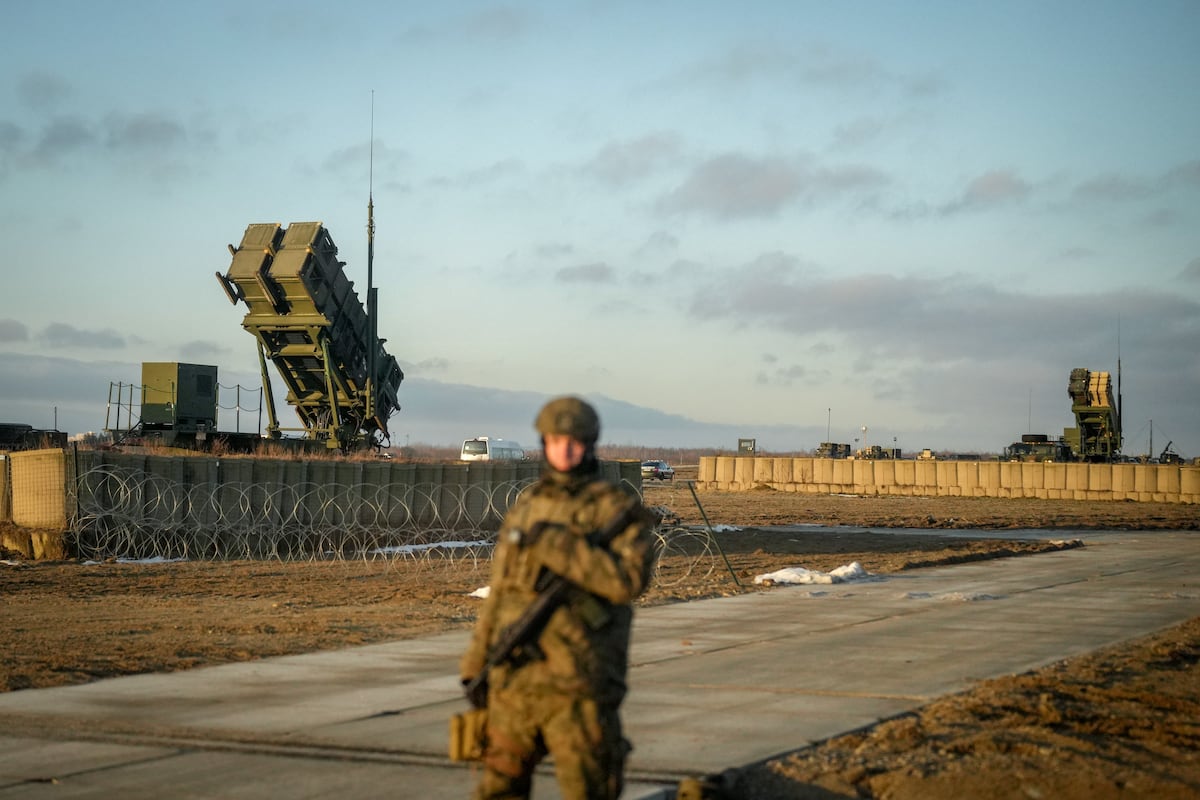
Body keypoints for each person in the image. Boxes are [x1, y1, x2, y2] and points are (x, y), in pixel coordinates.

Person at [460, 396, 658, 800]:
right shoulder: (529, 506)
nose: (564, 450)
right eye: (555, 440)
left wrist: (560, 547)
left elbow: (628, 581)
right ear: (544, 443)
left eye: (573, 441)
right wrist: (475, 662)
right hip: (516, 680)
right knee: (497, 789)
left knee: (586, 789)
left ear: (589, 444)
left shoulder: (614, 509)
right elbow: (501, 593)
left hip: (580, 683)